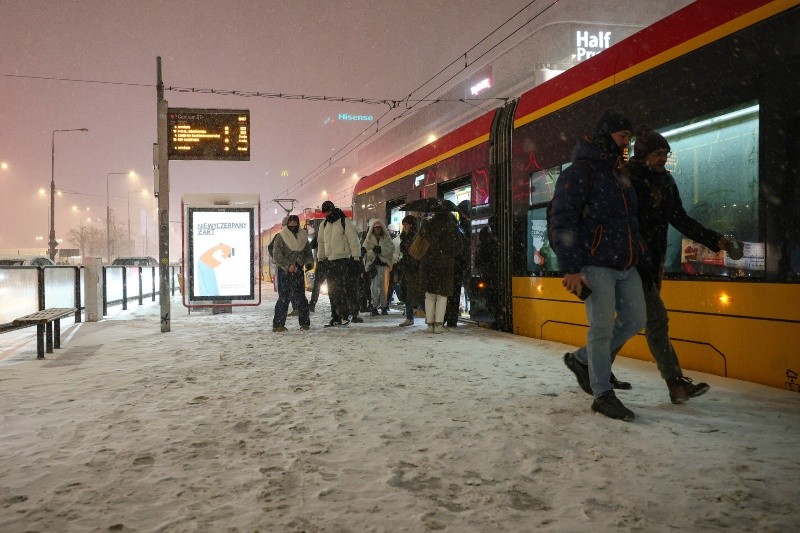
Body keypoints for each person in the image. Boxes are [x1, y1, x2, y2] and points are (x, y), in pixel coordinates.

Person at [569, 125, 738, 403]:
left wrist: (714, 239)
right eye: (659, 153)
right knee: (655, 320)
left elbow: (680, 219)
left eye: (666, 153)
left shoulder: (666, 182)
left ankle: (589, 364)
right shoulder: (625, 179)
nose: (663, 159)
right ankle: (674, 383)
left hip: (652, 262)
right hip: (630, 261)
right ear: (643, 154)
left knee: (630, 321)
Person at [551, 109, 647, 421]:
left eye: (628, 140)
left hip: (626, 264)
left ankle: (582, 360)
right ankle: (603, 394)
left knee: (634, 319)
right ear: (607, 136)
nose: (626, 145)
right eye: (622, 138)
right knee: (602, 329)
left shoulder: (620, 174)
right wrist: (571, 267)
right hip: (594, 265)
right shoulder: (579, 172)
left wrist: (639, 251)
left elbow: (630, 221)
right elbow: (563, 220)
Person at [415, 211, 461, 333]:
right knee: (442, 296)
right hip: (444, 266)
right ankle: (439, 325)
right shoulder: (451, 227)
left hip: (427, 265)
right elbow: (459, 246)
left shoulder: (427, 226)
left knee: (429, 296)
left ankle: (430, 325)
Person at [316, 200, 361, 327]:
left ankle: (344, 315)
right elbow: (321, 243)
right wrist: (321, 259)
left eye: (328, 211)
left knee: (341, 290)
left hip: (343, 260)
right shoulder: (324, 225)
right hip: (330, 261)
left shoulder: (344, 221)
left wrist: (356, 258)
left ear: (333, 209)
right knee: (332, 291)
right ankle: (336, 316)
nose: (327, 215)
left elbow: (353, 240)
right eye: (325, 213)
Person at [271, 215, 313, 332]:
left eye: (295, 223)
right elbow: (277, 255)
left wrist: (309, 263)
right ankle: (278, 325)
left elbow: (308, 253)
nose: (293, 225)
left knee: (301, 298)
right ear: (288, 224)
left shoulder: (303, 237)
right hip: (284, 272)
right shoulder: (281, 236)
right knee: (284, 298)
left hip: (298, 270)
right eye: (291, 223)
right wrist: (288, 265)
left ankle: (305, 323)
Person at [445, 201, 471, 328]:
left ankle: (447, 317)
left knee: (450, 293)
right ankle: (452, 318)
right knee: (455, 292)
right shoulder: (461, 228)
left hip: (453, 266)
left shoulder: (459, 228)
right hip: (460, 266)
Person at [363, 219, 395, 315]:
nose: (378, 229)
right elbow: (365, 252)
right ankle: (374, 306)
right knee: (374, 288)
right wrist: (373, 251)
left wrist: (380, 250)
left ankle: (384, 306)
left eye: (379, 228)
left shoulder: (386, 238)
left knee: (384, 287)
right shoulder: (368, 239)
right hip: (374, 266)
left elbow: (391, 249)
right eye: (376, 228)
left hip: (383, 266)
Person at [395, 215, 423, 327]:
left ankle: (413, 316)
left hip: (413, 268)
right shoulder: (404, 237)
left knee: (414, 293)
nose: (404, 227)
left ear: (411, 225)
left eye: (406, 224)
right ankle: (409, 316)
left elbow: (414, 253)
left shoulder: (415, 237)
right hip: (407, 268)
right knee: (407, 293)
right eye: (404, 225)